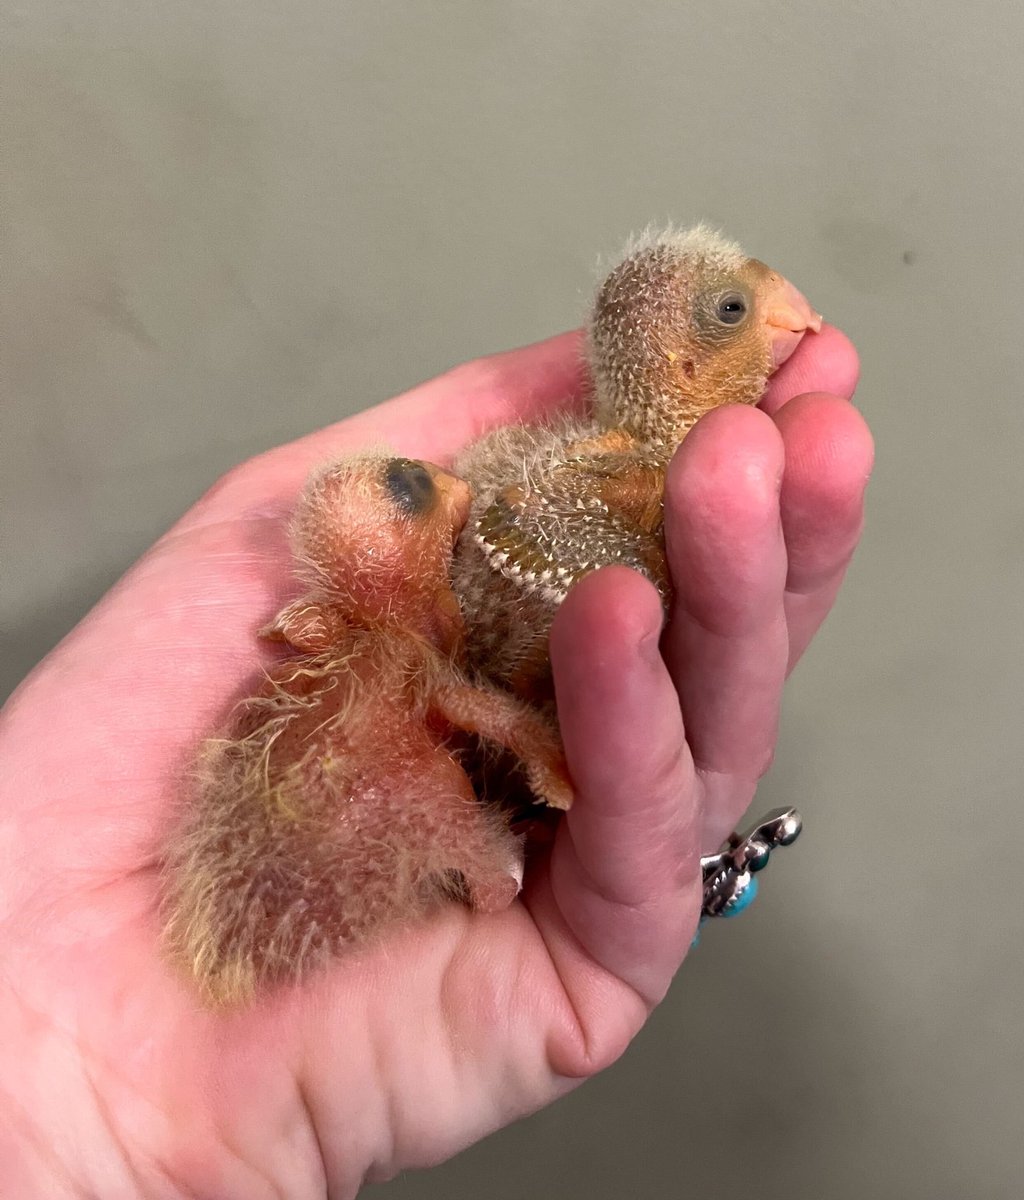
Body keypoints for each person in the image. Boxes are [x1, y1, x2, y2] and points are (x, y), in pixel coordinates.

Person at [0, 326, 871, 1197]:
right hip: (383, 814)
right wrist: (532, 768)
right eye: (413, 494)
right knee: (425, 790)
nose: (446, 485)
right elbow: (479, 713)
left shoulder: (372, 639)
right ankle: (480, 854)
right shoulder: (393, 658)